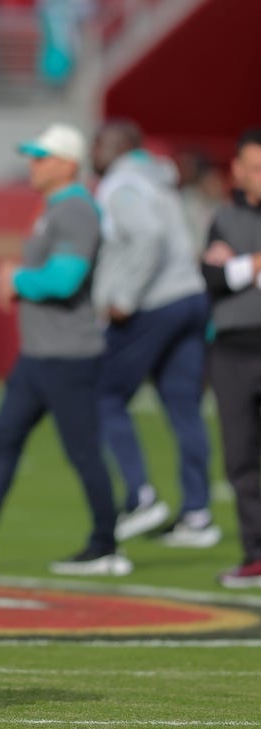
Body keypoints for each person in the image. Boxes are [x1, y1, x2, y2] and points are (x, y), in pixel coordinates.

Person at [0, 123, 130, 577]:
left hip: (68, 355)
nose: (31, 164)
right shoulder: (54, 208)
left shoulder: (75, 210)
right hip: (40, 354)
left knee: (83, 452)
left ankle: (106, 545)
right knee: (4, 439)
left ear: (67, 165)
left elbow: (65, 279)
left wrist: (16, 280)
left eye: (41, 157)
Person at [90, 120, 218, 548]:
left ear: (119, 146)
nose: (94, 151)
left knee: (103, 395)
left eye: (100, 143)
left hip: (154, 302)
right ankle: (197, 514)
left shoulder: (123, 183)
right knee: (184, 408)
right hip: (190, 295)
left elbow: (148, 236)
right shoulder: (158, 179)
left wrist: (124, 295)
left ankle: (140, 495)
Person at [200, 128, 261, 588]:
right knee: (240, 458)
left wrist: (240, 266)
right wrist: (251, 266)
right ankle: (255, 554)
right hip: (233, 351)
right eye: (253, 166)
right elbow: (213, 278)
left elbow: (229, 272)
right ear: (237, 170)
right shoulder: (223, 219)